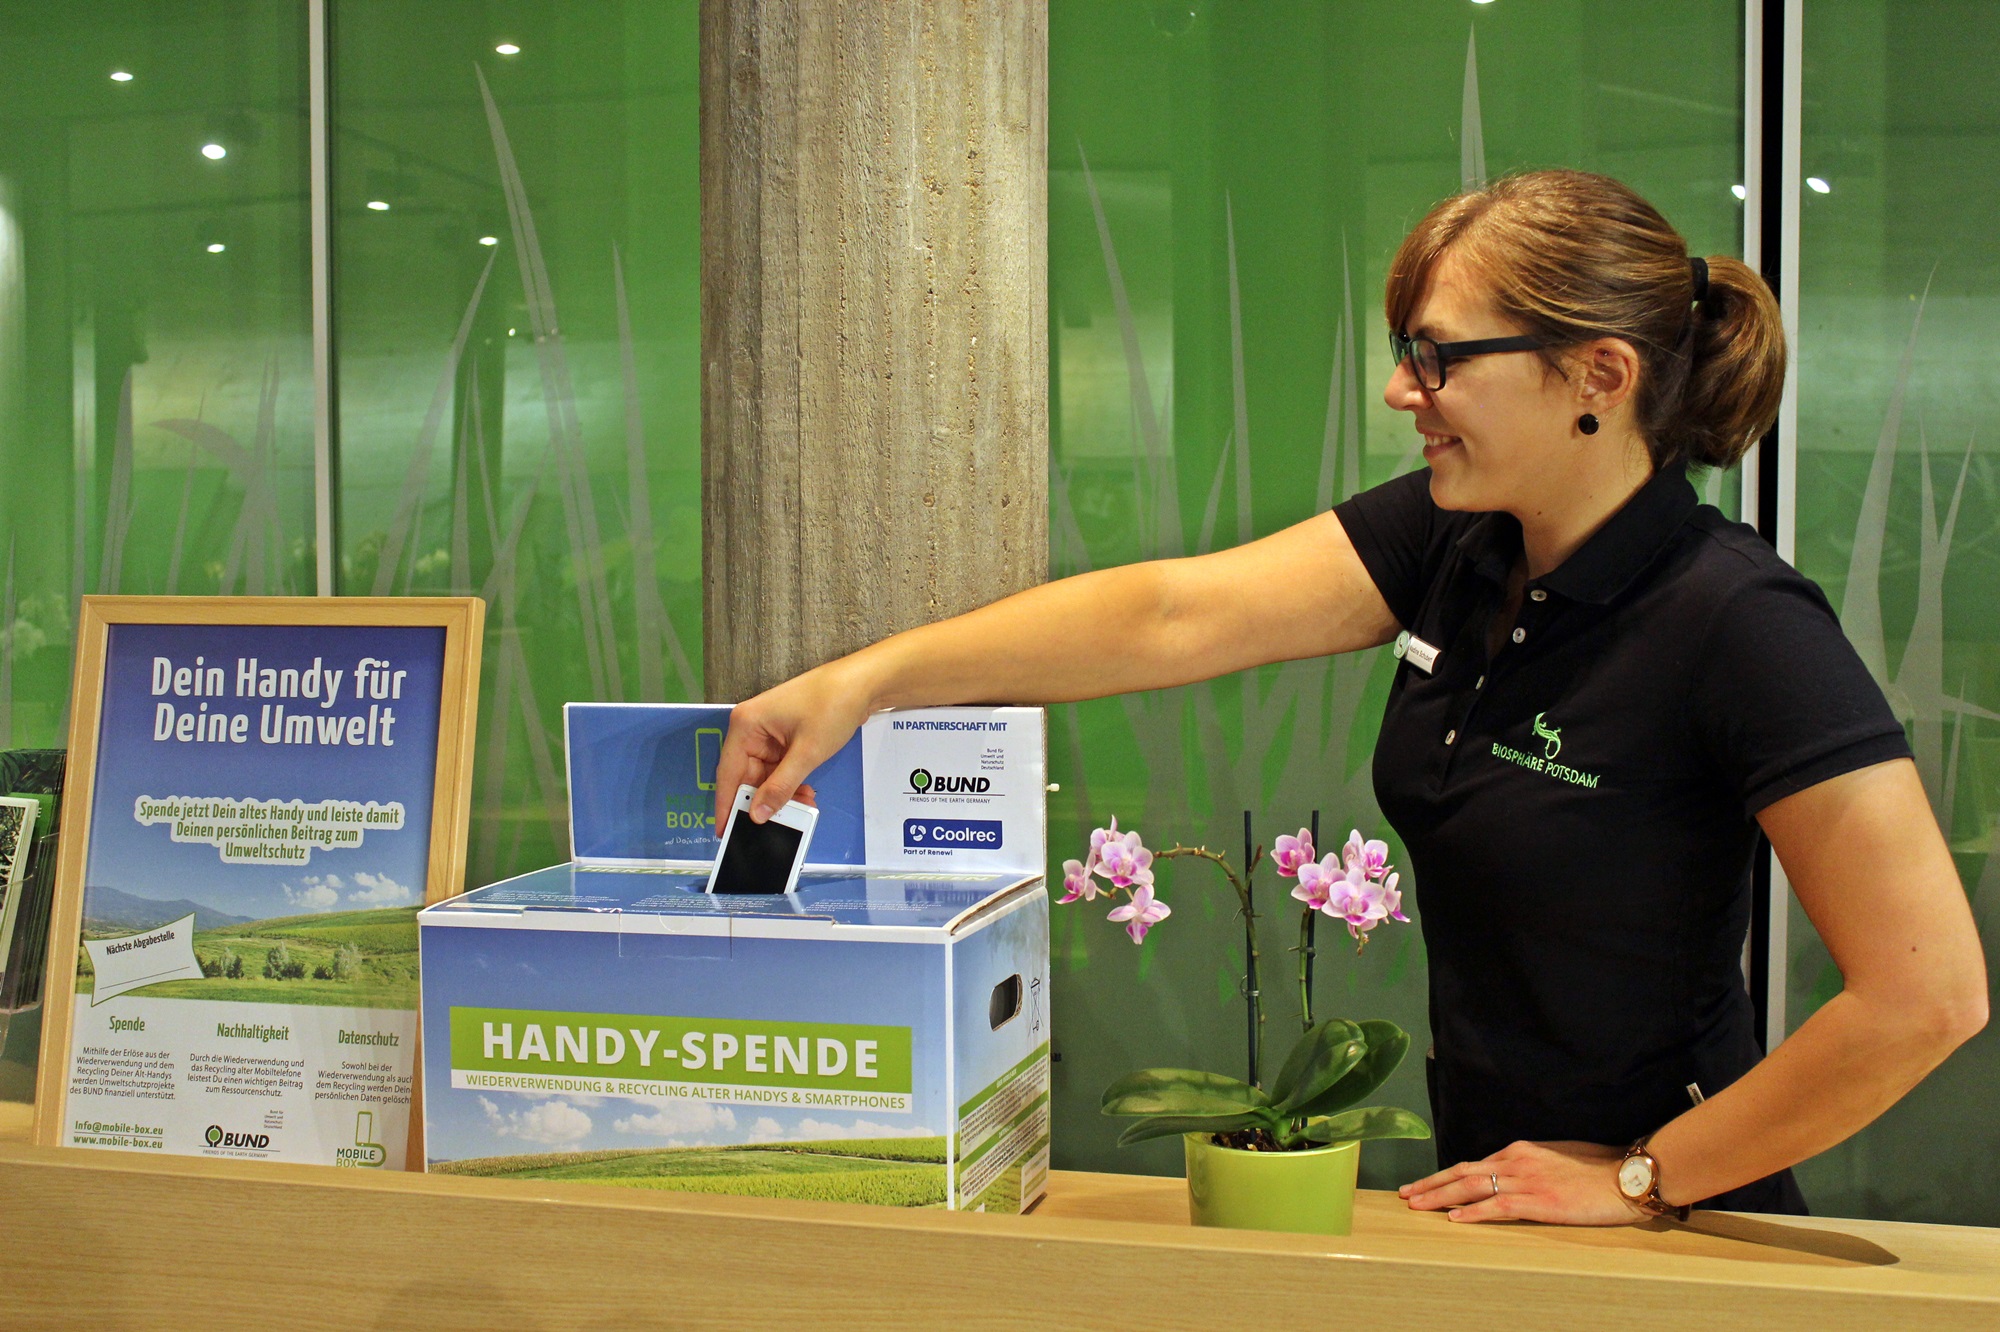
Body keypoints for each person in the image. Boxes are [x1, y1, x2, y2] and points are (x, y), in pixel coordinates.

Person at [712, 169, 1988, 1225]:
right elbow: (1172, 613)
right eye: (1402, 352)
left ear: (1597, 375)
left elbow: (1926, 991)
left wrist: (1648, 1176)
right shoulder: (1464, 544)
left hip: (1678, 1225)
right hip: (1493, 1194)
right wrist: (863, 682)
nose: (1402, 392)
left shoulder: (1735, 622)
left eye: (1438, 357)